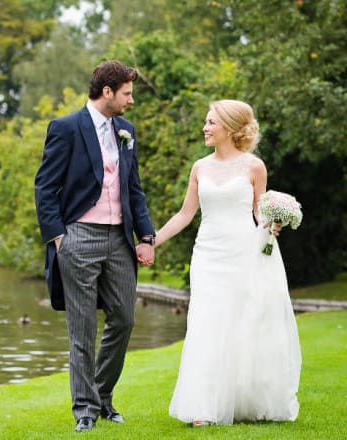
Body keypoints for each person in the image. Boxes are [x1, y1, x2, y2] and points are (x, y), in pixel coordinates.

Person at [154, 99, 301, 426]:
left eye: (211, 122)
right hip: (207, 254)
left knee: (240, 323)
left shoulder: (254, 167)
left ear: (231, 129)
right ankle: (204, 407)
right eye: (206, 122)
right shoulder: (199, 168)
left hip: (243, 252)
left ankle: (240, 400)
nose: (205, 128)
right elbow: (185, 214)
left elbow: (258, 212)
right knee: (206, 323)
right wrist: (152, 241)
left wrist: (273, 223)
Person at [35, 60, 156, 432]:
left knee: (124, 318)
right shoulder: (66, 128)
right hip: (79, 237)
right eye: (126, 93)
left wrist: (147, 237)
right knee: (82, 329)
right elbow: (45, 187)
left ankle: (101, 393)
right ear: (107, 92)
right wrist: (59, 238)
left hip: (119, 237)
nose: (130, 101)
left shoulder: (126, 131)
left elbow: (133, 188)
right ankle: (85, 409)